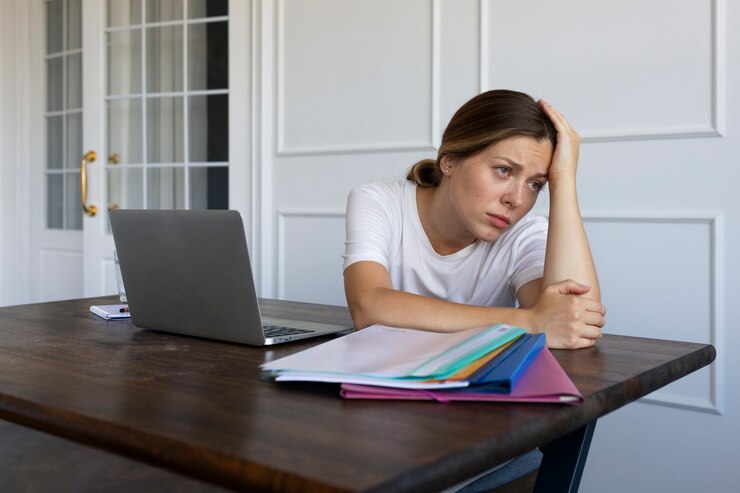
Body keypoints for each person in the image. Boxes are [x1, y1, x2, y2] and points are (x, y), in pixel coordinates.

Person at [342, 89, 606, 349]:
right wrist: (528, 321)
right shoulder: (381, 202)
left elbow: (578, 321)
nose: (517, 199)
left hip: (483, 387)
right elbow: (369, 307)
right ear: (449, 161)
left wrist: (564, 180)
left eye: (535, 184)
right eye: (504, 170)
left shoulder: (524, 234)